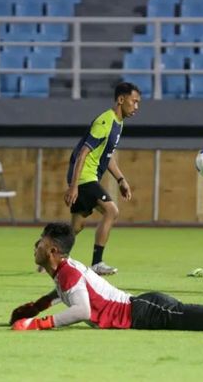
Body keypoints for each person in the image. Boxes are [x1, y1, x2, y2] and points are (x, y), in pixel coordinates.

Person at [9, 223, 203, 331]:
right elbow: (64, 294)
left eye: (40, 242)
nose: (34, 245)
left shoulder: (66, 272)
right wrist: (36, 307)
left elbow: (81, 310)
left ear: (52, 250)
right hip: (145, 309)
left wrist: (39, 324)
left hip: (145, 311)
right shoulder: (66, 270)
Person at [63, 82, 140, 275]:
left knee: (76, 226)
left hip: (86, 177)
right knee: (111, 211)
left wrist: (121, 179)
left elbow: (107, 155)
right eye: (134, 101)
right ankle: (97, 263)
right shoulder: (105, 122)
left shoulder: (118, 123)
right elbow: (82, 153)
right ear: (121, 100)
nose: (136, 107)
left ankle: (49, 250)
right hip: (84, 177)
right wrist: (74, 186)